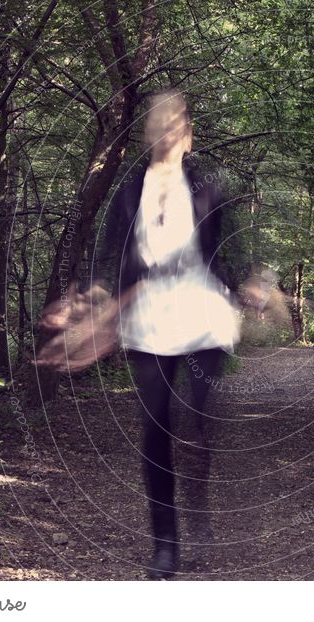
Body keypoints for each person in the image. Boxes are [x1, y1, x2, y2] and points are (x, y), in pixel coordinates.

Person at [100, 89, 241, 579]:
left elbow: (222, 251)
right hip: (148, 319)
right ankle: (166, 544)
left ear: (188, 136)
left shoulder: (207, 186)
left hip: (201, 317)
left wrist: (248, 291)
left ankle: (198, 506)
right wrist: (98, 306)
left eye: (175, 124)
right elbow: (116, 255)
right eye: (157, 124)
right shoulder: (128, 189)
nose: (166, 132)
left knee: (196, 424)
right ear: (147, 133)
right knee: (156, 430)